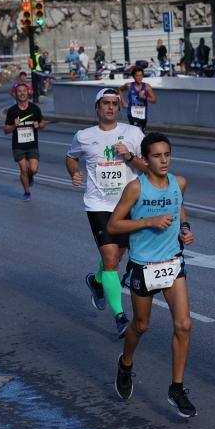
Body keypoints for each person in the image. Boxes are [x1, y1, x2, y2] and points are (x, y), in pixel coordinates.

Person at [107, 132, 197, 417]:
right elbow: (113, 226)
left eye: (167, 155)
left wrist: (184, 229)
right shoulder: (136, 188)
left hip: (172, 263)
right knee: (141, 326)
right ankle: (126, 363)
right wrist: (149, 221)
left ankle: (177, 387)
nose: (164, 161)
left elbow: (179, 206)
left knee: (183, 325)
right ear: (145, 159)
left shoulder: (179, 183)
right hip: (143, 266)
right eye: (157, 156)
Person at [65, 88, 147, 338]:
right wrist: (74, 172)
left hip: (129, 203)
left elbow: (147, 165)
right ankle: (121, 318)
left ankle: (97, 282)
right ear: (97, 108)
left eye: (114, 103)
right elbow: (70, 157)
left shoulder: (133, 133)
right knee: (111, 257)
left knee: (118, 255)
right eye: (105, 103)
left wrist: (130, 156)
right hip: (98, 205)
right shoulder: (84, 136)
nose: (110, 107)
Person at [5, 83, 45, 202]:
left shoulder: (34, 108)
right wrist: (14, 125)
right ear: (16, 94)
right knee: (23, 169)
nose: (22, 93)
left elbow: (43, 123)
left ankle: (30, 176)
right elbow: (6, 130)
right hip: (18, 145)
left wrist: (39, 125)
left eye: (24, 91)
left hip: (32, 144)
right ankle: (27, 192)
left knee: (33, 169)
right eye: (19, 91)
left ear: (28, 93)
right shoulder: (12, 111)